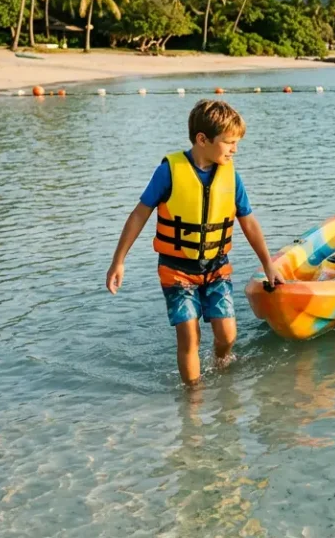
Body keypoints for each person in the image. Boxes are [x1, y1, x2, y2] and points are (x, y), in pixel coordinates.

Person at [106, 99, 283, 385]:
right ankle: (193, 403)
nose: (234, 149)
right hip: (176, 270)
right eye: (229, 142)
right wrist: (119, 261)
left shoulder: (231, 176)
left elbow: (248, 221)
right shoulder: (169, 171)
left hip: (217, 267)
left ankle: (221, 368)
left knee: (227, 335)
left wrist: (268, 264)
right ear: (203, 139)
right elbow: (139, 214)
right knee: (189, 336)